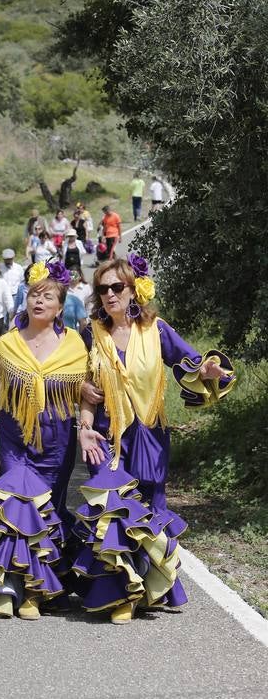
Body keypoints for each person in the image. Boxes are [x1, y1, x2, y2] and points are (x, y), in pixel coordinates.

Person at [72, 255, 235, 624]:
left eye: (117, 287)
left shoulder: (156, 330)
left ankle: (148, 590)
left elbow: (190, 363)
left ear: (133, 290)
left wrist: (207, 369)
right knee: (111, 509)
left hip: (150, 433)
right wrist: (83, 423)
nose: (110, 294)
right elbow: (78, 385)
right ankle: (120, 596)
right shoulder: (89, 333)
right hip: (104, 436)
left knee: (148, 511)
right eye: (103, 289)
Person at [0, 260, 92, 620]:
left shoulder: (75, 344)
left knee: (47, 510)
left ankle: (40, 586)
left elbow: (83, 389)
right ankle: (14, 585)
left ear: (60, 307)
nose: (39, 301)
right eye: (34, 294)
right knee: (18, 505)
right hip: (15, 440)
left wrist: (86, 417)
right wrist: (5, 411)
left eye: (47, 296)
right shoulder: (7, 344)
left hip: (57, 443)